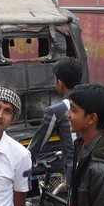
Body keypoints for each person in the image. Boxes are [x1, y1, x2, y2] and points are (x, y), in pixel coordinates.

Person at [28, 57, 81, 185]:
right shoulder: (90, 102)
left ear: (60, 82)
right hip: (93, 166)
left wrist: (23, 158)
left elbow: (37, 144)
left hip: (74, 171)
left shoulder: (57, 110)